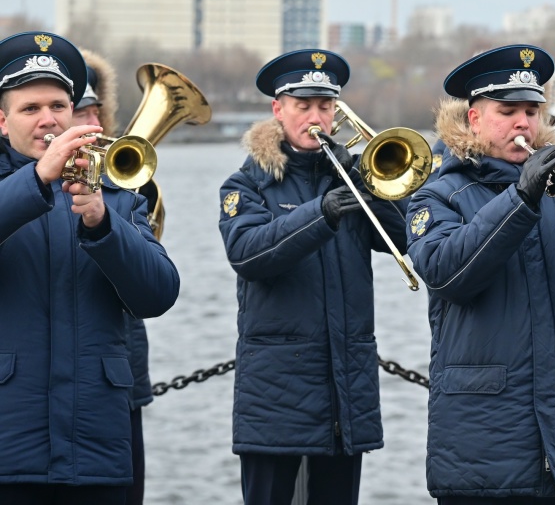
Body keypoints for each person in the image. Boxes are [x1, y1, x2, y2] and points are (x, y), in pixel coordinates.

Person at [405, 44, 555, 504]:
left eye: (531, 111)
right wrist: (520, 199)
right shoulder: (438, 195)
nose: (523, 123)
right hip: (483, 449)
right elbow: (447, 275)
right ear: (474, 119)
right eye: (507, 112)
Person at [217, 49, 408, 505]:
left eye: (325, 106)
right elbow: (248, 254)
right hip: (275, 399)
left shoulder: (352, 176)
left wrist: (370, 182)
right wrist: (320, 214)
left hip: (347, 393)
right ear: (278, 109)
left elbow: (409, 240)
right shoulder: (246, 184)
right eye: (303, 106)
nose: (315, 117)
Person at [0, 31, 179, 504]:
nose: (48, 119)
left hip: (96, 453)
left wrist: (104, 224)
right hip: (8, 450)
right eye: (30, 108)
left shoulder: (116, 194)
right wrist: (38, 178)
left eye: (58, 106)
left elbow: (159, 294)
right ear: (2, 120)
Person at [73, 50, 154, 505]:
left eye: (95, 112)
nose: (92, 123)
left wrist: (121, 218)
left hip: (120, 376)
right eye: (79, 112)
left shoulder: (122, 180)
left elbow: (154, 285)